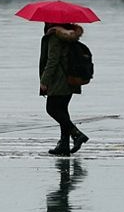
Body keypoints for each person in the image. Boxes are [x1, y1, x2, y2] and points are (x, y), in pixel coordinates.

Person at [39, 23, 90, 155]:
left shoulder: (54, 37)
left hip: (58, 80)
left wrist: (44, 81)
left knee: (52, 109)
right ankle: (64, 145)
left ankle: (77, 134)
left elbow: (52, 60)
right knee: (62, 111)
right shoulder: (70, 35)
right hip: (71, 78)